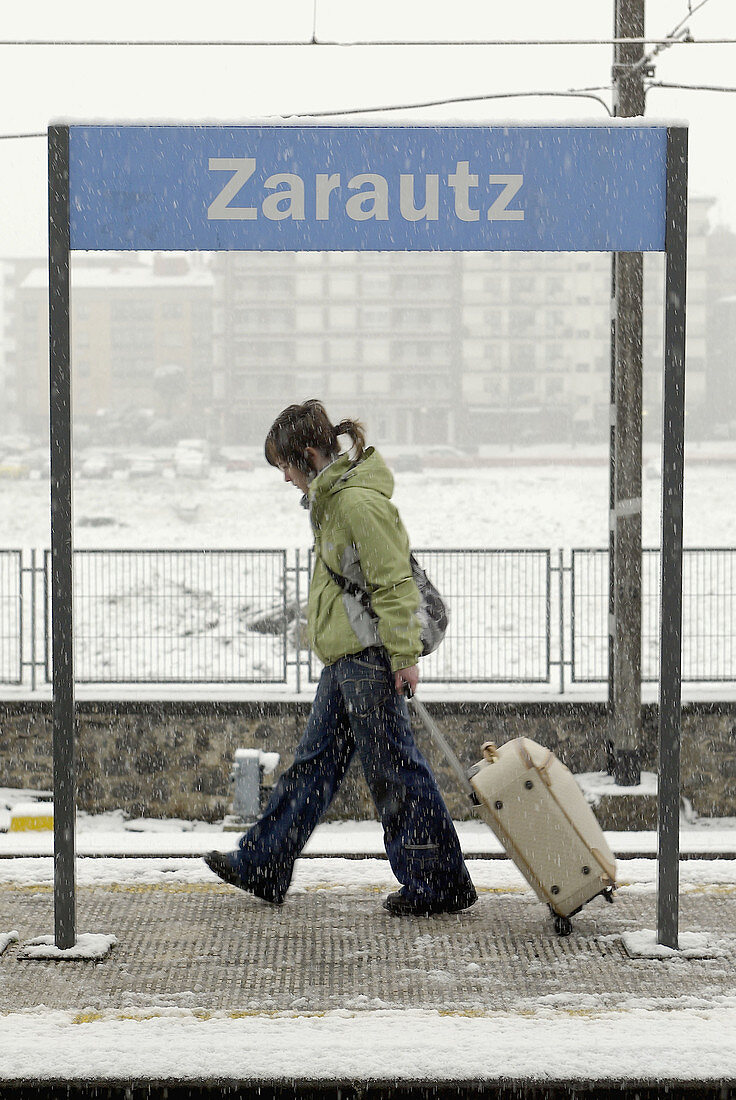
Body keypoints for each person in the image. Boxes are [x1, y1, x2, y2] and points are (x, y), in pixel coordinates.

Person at [205, 400, 476, 917]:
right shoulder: (333, 503)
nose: (284, 478)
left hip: (370, 658)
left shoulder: (357, 505)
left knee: (394, 771)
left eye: (285, 465)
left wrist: (402, 655)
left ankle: (438, 880)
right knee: (315, 767)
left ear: (308, 454)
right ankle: (264, 862)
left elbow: (393, 581)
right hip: (347, 659)